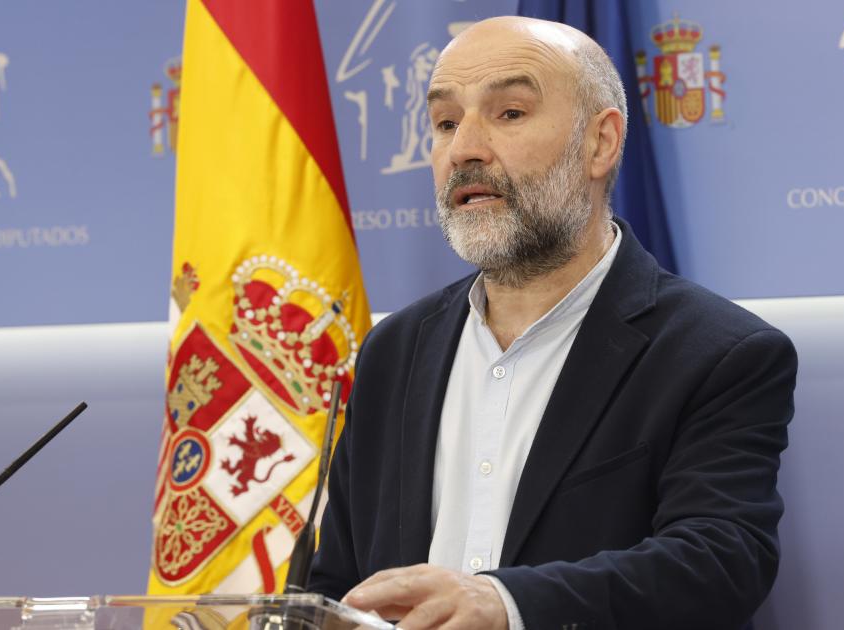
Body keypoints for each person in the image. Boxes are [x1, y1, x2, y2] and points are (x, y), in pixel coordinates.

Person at [309, 16, 797, 630]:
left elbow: (719, 562)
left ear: (600, 143)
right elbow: (337, 585)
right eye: (446, 122)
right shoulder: (395, 349)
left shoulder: (719, 352)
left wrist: (505, 605)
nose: (464, 149)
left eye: (509, 113)